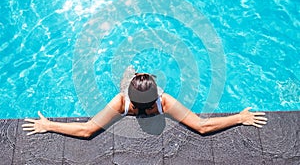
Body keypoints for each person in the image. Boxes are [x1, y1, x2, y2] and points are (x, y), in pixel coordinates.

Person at [22, 70, 267, 137]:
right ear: (155, 100)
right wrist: (239, 118)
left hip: (131, 102)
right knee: (133, 72)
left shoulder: (120, 101)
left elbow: (87, 129)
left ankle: (132, 74)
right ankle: (134, 74)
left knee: (129, 71)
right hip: (141, 103)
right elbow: (202, 126)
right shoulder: (165, 102)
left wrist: (49, 125)